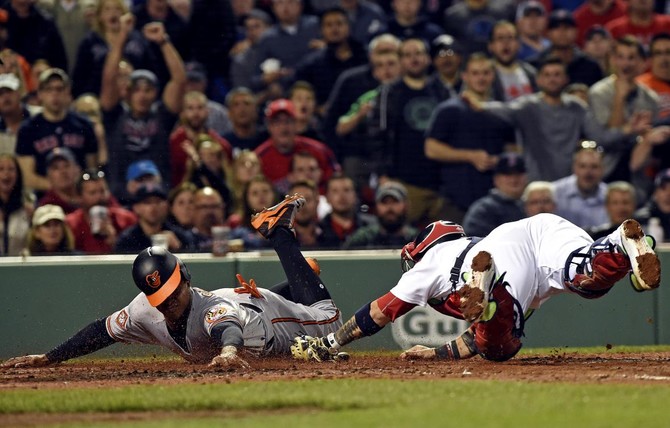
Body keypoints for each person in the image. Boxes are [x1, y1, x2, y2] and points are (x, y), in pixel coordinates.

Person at [1, 195, 344, 369]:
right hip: (242, 303)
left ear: (185, 280)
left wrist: (228, 352)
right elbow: (100, 332)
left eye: (172, 292)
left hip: (261, 320)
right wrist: (49, 358)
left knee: (331, 320)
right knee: (298, 293)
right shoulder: (144, 310)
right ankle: (300, 277)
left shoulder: (211, 310)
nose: (167, 303)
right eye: (158, 297)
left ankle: (281, 234)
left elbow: (228, 330)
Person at [292, 214, 661, 363]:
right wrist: (436, 354)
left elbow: (377, 313)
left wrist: (329, 344)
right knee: (586, 279)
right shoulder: (468, 243)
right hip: (537, 229)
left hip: (496, 261)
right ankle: (617, 243)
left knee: (499, 347)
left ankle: (491, 292)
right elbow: (471, 340)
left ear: (423, 247)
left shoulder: (430, 263)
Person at [100, 15, 186, 198]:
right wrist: (122, 37)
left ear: (155, 93)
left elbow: (179, 80)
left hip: (158, 197)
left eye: (148, 90)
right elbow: (109, 78)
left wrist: (163, 42)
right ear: (127, 93)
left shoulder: (161, 117)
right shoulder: (114, 116)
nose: (142, 95)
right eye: (137, 90)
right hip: (122, 199)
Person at [425, 54, 516, 223]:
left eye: (485, 73)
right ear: (464, 76)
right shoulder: (450, 110)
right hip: (455, 200)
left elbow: (513, 148)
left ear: (493, 75)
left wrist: (499, 160)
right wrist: (470, 156)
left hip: (494, 201)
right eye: (475, 73)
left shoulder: (501, 112)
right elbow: (431, 148)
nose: (480, 78)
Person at [16, 68, 99, 192]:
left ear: (68, 92)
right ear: (40, 94)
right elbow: (28, 177)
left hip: (80, 195)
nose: (54, 94)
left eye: (59, 89)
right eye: (49, 89)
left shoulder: (84, 125)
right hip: (45, 197)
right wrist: (61, 189)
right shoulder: (28, 129)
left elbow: (92, 167)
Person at [254, 99, 339, 194]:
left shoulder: (319, 151)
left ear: (296, 124)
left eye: (288, 121)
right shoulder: (259, 157)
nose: (283, 128)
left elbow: (337, 181)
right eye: (277, 122)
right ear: (269, 126)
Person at [65, 168, 136, 254]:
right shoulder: (70, 224)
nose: (99, 197)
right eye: (92, 193)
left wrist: (116, 243)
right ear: (79, 197)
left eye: (102, 191)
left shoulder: (126, 219)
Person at [115, 183, 194, 254]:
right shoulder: (127, 240)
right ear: (136, 208)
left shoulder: (180, 237)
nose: (153, 207)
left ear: (166, 206)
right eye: (147, 202)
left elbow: (192, 267)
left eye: (158, 201)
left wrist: (178, 249)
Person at [462, 152, 527, 236]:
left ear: (526, 177)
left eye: (518, 174)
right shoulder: (484, 209)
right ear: (496, 179)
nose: (513, 180)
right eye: (507, 175)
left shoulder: (534, 203)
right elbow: (475, 242)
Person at [343, 181, 417, 249]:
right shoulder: (362, 239)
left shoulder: (417, 240)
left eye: (395, 201)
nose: (389, 207)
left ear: (406, 205)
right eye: (384, 202)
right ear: (376, 206)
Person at [552, 146, 609, 230]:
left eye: (594, 167)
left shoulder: (609, 196)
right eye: (583, 166)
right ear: (574, 168)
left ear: (602, 170)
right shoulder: (555, 192)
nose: (588, 172)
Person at [318, 174, 376, 248]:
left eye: (347, 190)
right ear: (327, 197)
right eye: (335, 191)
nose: (342, 196)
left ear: (355, 195)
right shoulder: (318, 231)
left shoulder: (371, 227)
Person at [0, 153, 31, 255]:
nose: (6, 174)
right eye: (1, 169)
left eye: (11, 169)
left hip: (19, 267)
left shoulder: (28, 210)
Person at [37, 147, 82, 214]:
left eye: (66, 166)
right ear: (48, 176)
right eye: (56, 168)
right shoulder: (46, 206)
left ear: (77, 170)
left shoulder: (89, 198)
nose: (63, 171)